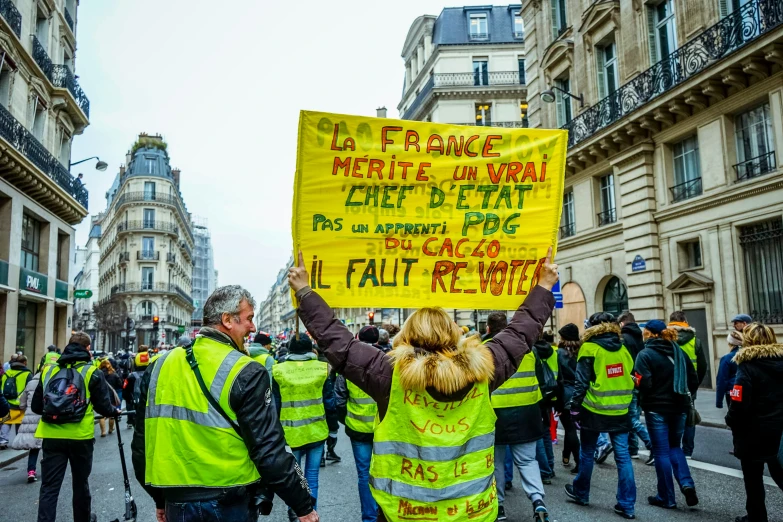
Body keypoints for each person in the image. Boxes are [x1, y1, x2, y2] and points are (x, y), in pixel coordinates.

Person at [289, 248, 558, 522]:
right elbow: (520, 332)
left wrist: (305, 292)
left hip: (403, 514)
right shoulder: (485, 369)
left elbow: (340, 343)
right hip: (472, 512)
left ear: (408, 335)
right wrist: (544, 286)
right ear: (454, 333)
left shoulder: (389, 375)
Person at [131, 285, 318, 522]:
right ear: (228, 320)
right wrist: (303, 506)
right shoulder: (246, 369)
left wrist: (160, 498)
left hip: (176, 501)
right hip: (229, 500)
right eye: (249, 319)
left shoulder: (159, 365)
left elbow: (141, 445)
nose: (253, 327)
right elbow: (269, 449)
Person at [32, 332, 118, 522]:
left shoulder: (48, 371)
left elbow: (36, 407)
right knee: (80, 484)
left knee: (49, 487)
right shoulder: (91, 371)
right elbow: (103, 406)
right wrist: (114, 411)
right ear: (88, 349)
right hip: (81, 436)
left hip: (52, 436)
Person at [565, 313, 637, 520]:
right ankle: (627, 505)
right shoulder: (622, 348)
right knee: (623, 458)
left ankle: (581, 493)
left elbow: (581, 383)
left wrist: (575, 408)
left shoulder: (589, 348)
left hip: (594, 411)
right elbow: (630, 374)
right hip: (621, 411)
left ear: (592, 328)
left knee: (587, 453)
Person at [633, 320, 699, 509]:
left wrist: (638, 386)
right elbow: (692, 380)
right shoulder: (680, 353)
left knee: (661, 451)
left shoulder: (645, 355)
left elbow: (644, 383)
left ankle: (666, 497)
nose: (643, 334)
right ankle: (687, 484)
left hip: (656, 408)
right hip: (680, 407)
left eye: (645, 332)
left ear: (652, 334)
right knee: (675, 447)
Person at [492, 327, 552, 522]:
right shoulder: (529, 350)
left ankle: (499, 505)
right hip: (527, 413)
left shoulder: (487, 350)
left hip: (496, 415)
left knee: (497, 463)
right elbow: (541, 383)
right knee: (527, 460)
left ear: (490, 329)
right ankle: (538, 502)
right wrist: (544, 413)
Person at [272, 335, 334, 521]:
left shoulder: (278, 371)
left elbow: (274, 405)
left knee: (294, 479)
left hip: (290, 434)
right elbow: (330, 402)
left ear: (289, 350)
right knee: (312, 477)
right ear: (310, 350)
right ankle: (311, 513)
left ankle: (296, 513)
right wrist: (333, 431)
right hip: (316, 431)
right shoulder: (322, 369)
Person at [726, 323, 783, 522]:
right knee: (780, 472)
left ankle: (757, 516)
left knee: (753, 477)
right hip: (780, 431)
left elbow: (739, 401)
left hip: (753, 431)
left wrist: (730, 419)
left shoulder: (747, 365)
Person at [335, 345, 381, 522]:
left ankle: (369, 517)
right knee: (385, 472)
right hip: (383, 429)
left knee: (364, 474)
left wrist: (346, 421)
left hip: (358, 429)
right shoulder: (388, 367)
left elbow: (339, 400)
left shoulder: (348, 370)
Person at [483, 311, 516, 492]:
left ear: (488, 327)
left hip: (494, 406)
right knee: (523, 456)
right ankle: (510, 480)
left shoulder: (484, 348)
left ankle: (500, 496)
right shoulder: (520, 345)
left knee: (498, 453)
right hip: (524, 404)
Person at [668, 311, 708, 459]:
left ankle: (674, 447)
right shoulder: (695, 340)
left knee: (671, 416)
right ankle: (687, 451)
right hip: (690, 385)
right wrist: (695, 383)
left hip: (670, 384)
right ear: (685, 321)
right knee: (689, 415)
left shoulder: (666, 339)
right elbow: (703, 365)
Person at [618, 312, 654, 464]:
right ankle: (632, 449)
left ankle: (652, 445)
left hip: (630, 380)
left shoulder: (623, 339)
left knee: (631, 418)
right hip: (640, 380)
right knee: (632, 415)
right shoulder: (641, 336)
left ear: (622, 323)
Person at [10, 368, 43, 482]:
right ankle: (47, 469)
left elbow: (22, 403)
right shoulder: (50, 380)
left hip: (30, 416)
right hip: (45, 417)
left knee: (34, 448)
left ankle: (31, 471)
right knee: (49, 446)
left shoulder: (30, 383)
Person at [533, 330, 558, 485]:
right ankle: (550, 465)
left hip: (537, 395)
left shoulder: (530, 351)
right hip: (551, 392)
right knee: (546, 432)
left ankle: (545, 470)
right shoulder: (552, 350)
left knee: (537, 434)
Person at [557, 324, 581, 476]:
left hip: (565, 392)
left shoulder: (559, 353)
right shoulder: (582, 350)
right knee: (571, 427)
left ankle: (579, 461)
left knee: (570, 427)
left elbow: (558, 377)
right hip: (580, 391)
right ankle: (566, 456)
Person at [0, 354, 32, 448]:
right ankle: (19, 441)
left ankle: (3, 441)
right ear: (25, 362)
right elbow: (29, 389)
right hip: (20, 403)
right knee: (20, 422)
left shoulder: (7, 372)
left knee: (6, 422)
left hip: (7, 402)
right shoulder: (27, 374)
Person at [716, 330, 743, 409]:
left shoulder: (727, 358)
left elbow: (722, 379)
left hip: (733, 391)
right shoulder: (748, 355)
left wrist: (719, 401)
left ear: (730, 343)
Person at [98, 360, 123, 437]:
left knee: (101, 414)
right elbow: (120, 384)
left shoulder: (98, 374)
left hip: (101, 395)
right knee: (112, 413)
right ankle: (111, 429)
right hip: (111, 396)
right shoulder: (114, 374)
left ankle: (103, 432)